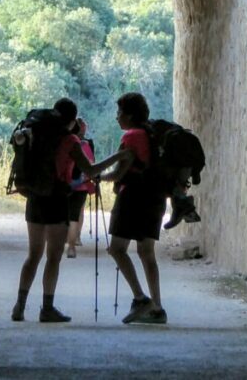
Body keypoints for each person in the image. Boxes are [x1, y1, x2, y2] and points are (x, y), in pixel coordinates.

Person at [12, 98, 118, 323]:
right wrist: (119, 157)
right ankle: (47, 308)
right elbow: (90, 170)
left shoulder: (35, 132)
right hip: (57, 199)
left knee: (33, 255)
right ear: (72, 121)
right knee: (53, 257)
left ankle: (19, 307)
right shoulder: (69, 139)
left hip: (34, 198)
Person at [96, 92, 169, 325]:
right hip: (155, 198)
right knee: (147, 253)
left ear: (129, 115)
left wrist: (99, 177)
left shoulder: (131, 136)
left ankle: (140, 298)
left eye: (119, 113)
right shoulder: (151, 134)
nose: (117, 118)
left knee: (117, 249)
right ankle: (157, 308)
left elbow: (119, 172)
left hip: (133, 199)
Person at [66, 117, 96, 259]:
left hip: (64, 183)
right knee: (76, 214)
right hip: (82, 184)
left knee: (66, 214)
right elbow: (91, 164)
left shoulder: (64, 142)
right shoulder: (87, 144)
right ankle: (73, 244)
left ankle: (64, 242)